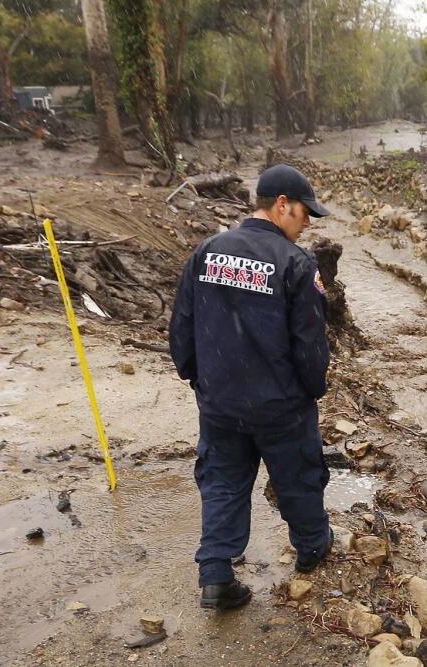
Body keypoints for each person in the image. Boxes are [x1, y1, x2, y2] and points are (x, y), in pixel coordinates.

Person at [168, 163, 333, 610]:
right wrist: (312, 391)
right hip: (281, 405)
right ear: (282, 205)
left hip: (220, 402)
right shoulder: (296, 264)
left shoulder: (207, 251)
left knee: (222, 482)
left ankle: (217, 575)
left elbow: (181, 329)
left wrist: (197, 380)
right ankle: (313, 547)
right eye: (304, 214)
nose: (307, 224)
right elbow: (310, 346)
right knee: (298, 475)